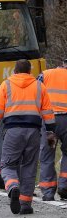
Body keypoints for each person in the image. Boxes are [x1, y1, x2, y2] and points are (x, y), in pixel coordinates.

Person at [0, 59, 56, 215]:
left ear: (15, 71)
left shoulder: (6, 85)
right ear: (30, 72)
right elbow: (48, 113)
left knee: (8, 165)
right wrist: (50, 132)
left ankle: (12, 186)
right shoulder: (39, 86)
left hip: (13, 131)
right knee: (29, 167)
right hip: (34, 132)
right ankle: (25, 204)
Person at [37, 58, 67, 201]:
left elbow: (35, 92)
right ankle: (64, 186)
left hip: (49, 120)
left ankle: (48, 192)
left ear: (62, 64)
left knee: (47, 156)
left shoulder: (46, 74)